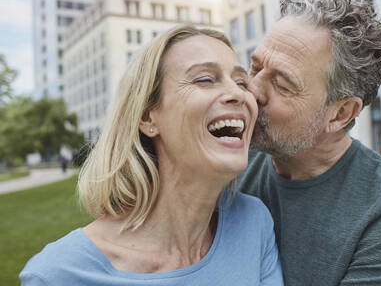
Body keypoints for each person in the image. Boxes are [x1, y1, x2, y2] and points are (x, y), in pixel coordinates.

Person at [20, 26, 284, 285]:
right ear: (147, 116)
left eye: (241, 82)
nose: (238, 93)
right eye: (204, 79)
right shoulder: (58, 274)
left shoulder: (254, 223)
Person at [239, 0, 381, 285]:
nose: (252, 90)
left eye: (281, 84)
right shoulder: (226, 162)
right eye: (255, 67)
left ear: (340, 113)